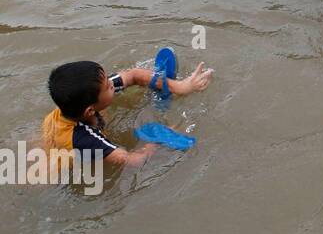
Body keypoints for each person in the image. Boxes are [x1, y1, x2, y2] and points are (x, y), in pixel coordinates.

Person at [42, 59, 213, 170]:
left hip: (56, 132)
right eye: (109, 87)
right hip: (63, 166)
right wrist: (157, 139)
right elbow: (132, 161)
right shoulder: (85, 139)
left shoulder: (82, 101)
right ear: (90, 110)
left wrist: (180, 87)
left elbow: (134, 75)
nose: (112, 83)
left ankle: (159, 87)